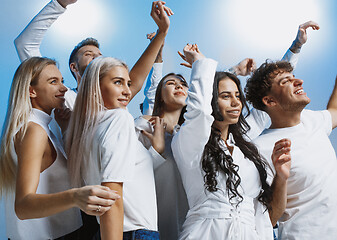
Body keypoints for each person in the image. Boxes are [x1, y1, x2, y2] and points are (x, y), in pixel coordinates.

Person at [0, 57, 119, 240]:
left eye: (62, 81)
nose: (63, 88)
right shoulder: (34, 131)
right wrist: (75, 197)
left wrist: (65, 130)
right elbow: (23, 206)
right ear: (31, 91)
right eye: (53, 82)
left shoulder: (38, 128)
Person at [169, 44, 275, 240]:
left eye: (237, 96)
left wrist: (296, 48)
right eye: (226, 96)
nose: (236, 103)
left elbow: (264, 110)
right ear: (210, 100)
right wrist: (200, 63)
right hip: (206, 233)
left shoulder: (244, 150)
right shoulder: (189, 144)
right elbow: (199, 113)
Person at [66, 56, 166, 240]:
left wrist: (155, 152)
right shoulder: (119, 119)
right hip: (133, 232)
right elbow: (110, 194)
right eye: (118, 82)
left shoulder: (85, 131)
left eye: (128, 83)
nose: (127, 91)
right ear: (95, 86)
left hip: (110, 231)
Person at [14, 0, 173, 111]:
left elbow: (136, 80)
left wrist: (161, 33)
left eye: (100, 55)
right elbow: (25, 45)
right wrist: (59, 4)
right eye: (89, 54)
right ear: (74, 67)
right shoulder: (64, 97)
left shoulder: (111, 97)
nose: (97, 58)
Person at [245, 59, 337, 239]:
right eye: (285, 81)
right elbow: (268, 220)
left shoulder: (313, 120)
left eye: (293, 77)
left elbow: (335, 110)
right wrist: (281, 177)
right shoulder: (260, 150)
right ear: (269, 100)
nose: (299, 81)